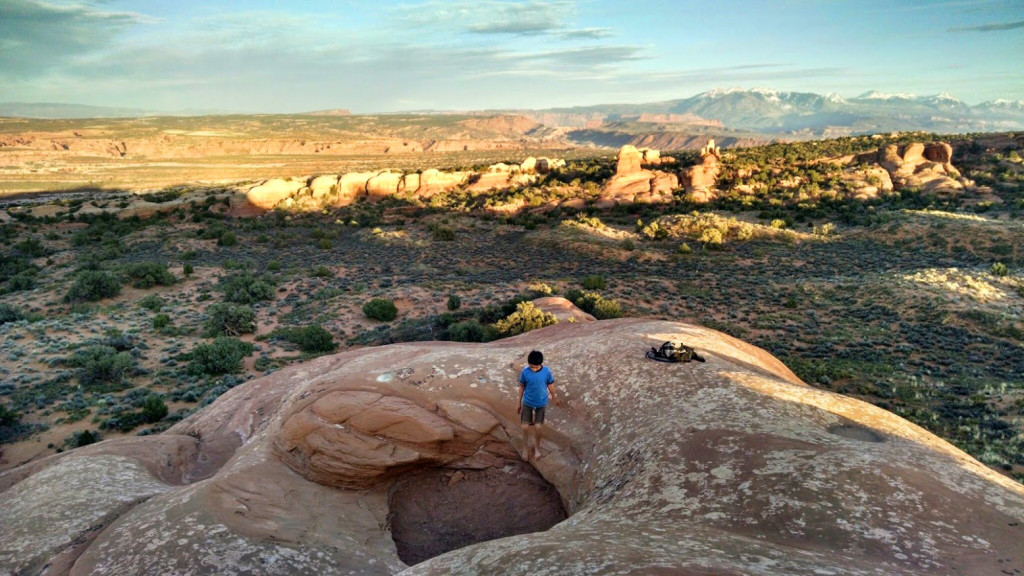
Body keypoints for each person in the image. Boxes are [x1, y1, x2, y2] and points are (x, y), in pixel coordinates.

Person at [517, 350, 560, 461]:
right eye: (532, 367)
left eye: (536, 367)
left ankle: (537, 448)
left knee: (538, 427)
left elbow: (550, 385)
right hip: (528, 402)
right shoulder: (525, 372)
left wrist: (555, 398)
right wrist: (519, 403)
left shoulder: (546, 371)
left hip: (541, 403)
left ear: (541, 364)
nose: (534, 369)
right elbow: (522, 387)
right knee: (524, 427)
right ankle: (525, 448)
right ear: (528, 364)